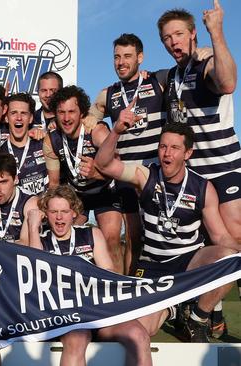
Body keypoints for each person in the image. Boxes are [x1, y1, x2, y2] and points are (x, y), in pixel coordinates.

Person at [96, 120, 239, 342]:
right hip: (153, 267)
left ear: (188, 153)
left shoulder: (202, 187)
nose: (167, 153)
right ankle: (174, 305)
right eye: (163, 146)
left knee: (229, 257)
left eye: (174, 148)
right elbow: (104, 164)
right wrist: (115, 131)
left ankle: (198, 319)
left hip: (188, 262)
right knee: (142, 330)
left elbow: (220, 236)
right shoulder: (145, 176)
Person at [27, 185, 151, 366]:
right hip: (63, 317)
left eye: (64, 211)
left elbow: (109, 274)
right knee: (77, 339)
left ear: (74, 213)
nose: (59, 217)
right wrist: (32, 227)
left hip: (96, 312)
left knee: (138, 335)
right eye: (53, 211)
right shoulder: (41, 241)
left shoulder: (91, 234)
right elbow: (34, 271)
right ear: (46, 214)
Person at [158, 3, 241, 244]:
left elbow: (228, 84)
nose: (174, 42)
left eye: (179, 34)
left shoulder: (208, 63)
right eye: (167, 38)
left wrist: (216, 32)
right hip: (192, 174)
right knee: (208, 245)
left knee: (235, 232)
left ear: (194, 33)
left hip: (223, 167)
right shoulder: (170, 76)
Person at [90, 33, 166, 275]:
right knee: (133, 237)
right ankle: (130, 294)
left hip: (155, 174)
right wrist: (101, 132)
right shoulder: (108, 94)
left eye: (127, 56)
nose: (121, 62)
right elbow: (90, 121)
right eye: (116, 57)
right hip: (124, 176)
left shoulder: (158, 82)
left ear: (140, 58)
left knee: (162, 237)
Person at [43, 86, 125, 273]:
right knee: (64, 237)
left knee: (111, 239)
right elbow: (54, 183)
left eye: (72, 111)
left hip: (105, 190)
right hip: (77, 195)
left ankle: (119, 292)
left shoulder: (95, 132)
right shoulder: (51, 140)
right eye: (61, 112)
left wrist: (96, 173)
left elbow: (118, 167)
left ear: (82, 113)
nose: (66, 118)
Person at [0, 93, 48, 196]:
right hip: (18, 210)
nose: (19, 118)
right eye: (14, 113)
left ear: (31, 118)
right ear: (6, 118)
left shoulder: (43, 143)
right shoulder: (0, 153)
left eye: (23, 113)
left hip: (45, 206)